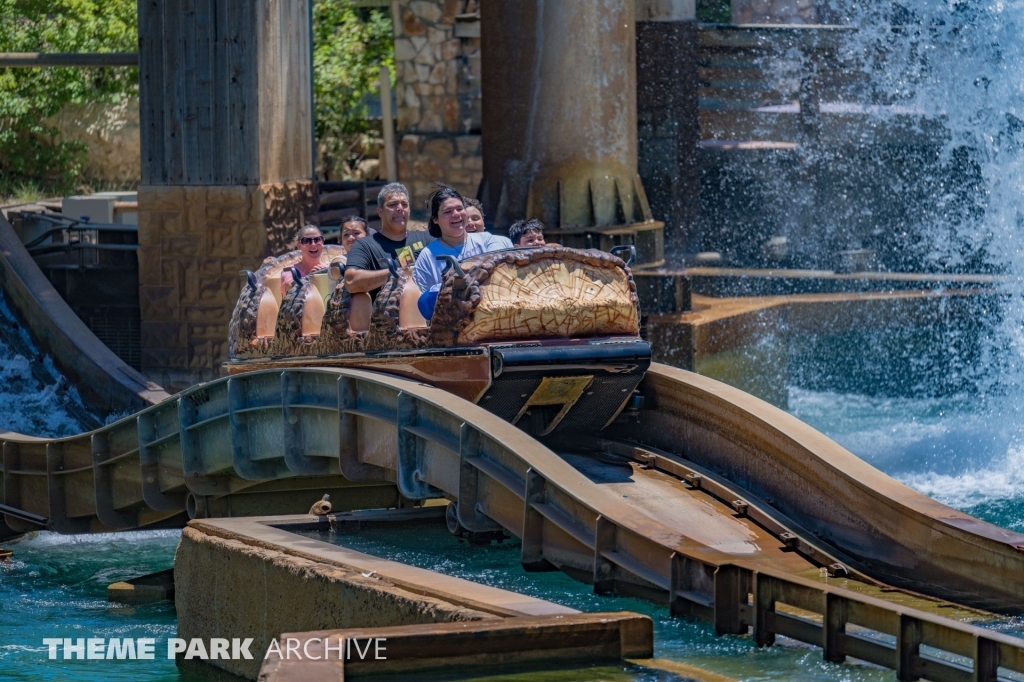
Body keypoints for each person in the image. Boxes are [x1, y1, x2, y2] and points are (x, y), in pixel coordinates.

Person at [343, 183, 433, 331]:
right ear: (379, 211)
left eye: (404, 204)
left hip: (430, 324)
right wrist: (396, 272)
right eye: (392, 204)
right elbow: (351, 281)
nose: (399, 208)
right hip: (385, 329)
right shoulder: (365, 245)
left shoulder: (427, 240)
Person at [413, 185, 512, 318]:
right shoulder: (428, 256)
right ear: (435, 219)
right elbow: (423, 303)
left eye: (460, 208)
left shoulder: (486, 241)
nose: (456, 214)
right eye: (447, 211)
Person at [280, 224, 328, 298]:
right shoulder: (289, 271)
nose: (313, 244)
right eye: (307, 241)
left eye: (317, 239)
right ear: (299, 246)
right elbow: (290, 287)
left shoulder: (330, 268)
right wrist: (313, 277)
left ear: (322, 242)